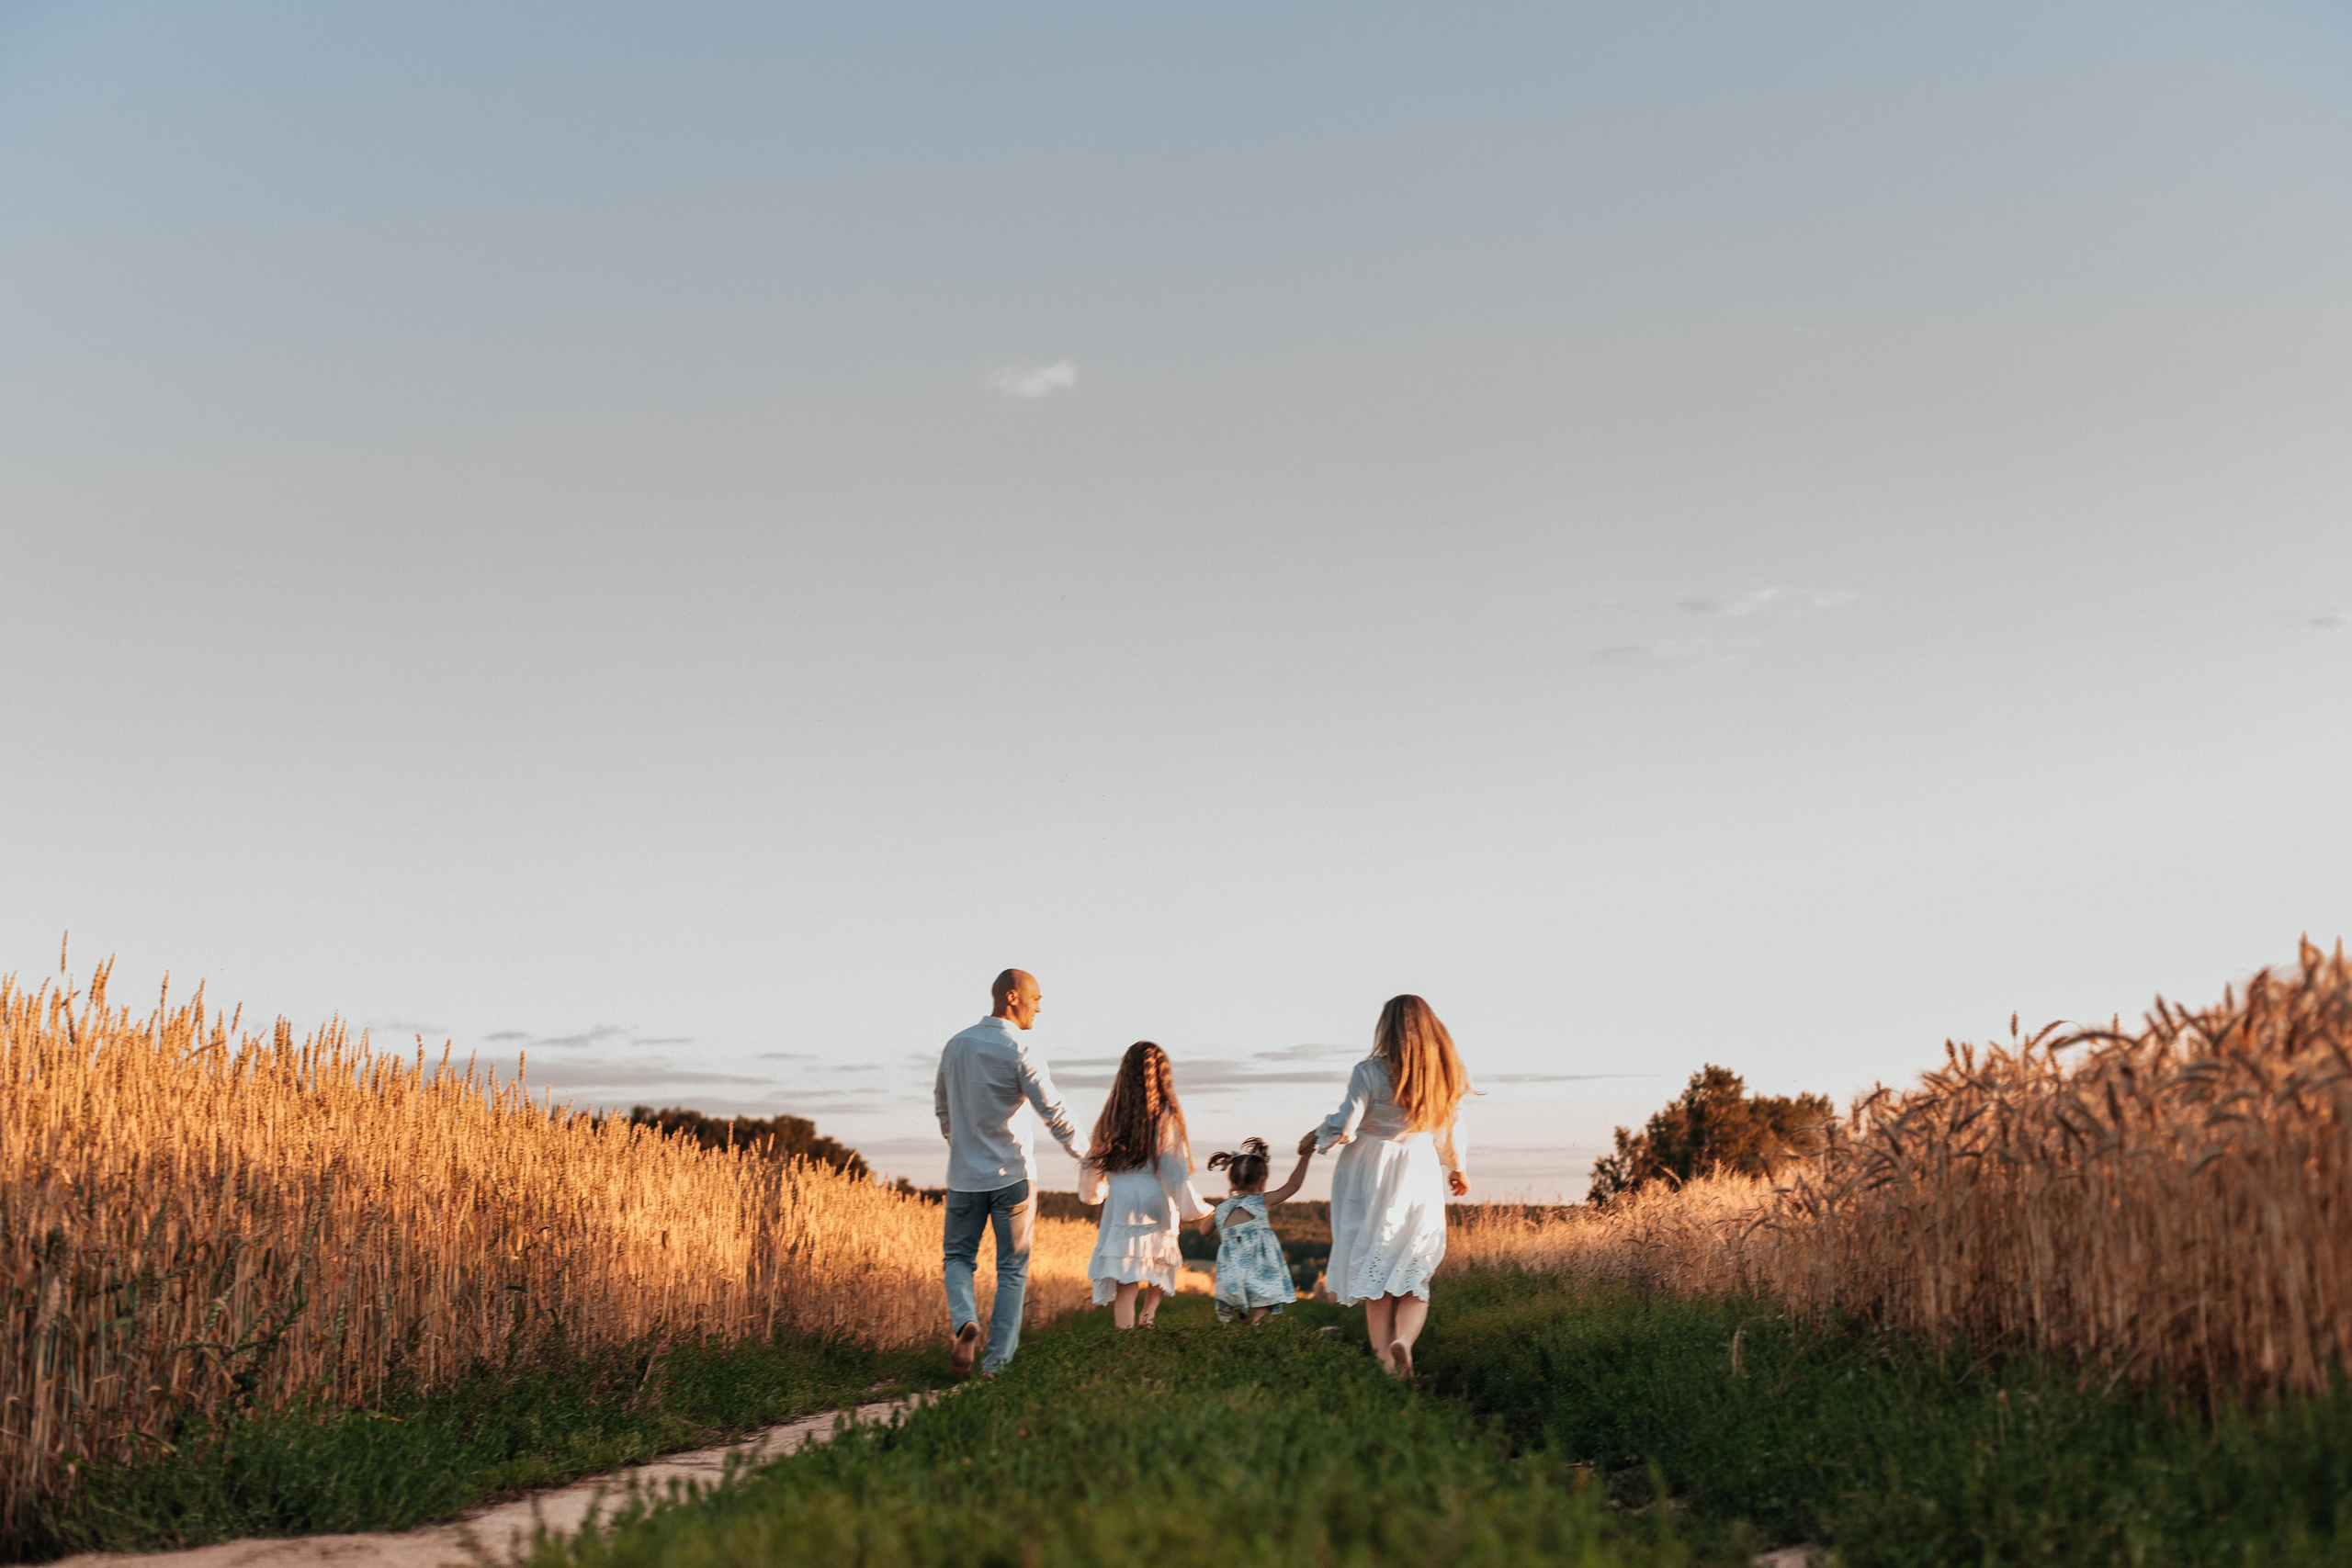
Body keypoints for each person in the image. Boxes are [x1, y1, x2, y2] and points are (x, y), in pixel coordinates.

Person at [1299, 994, 1471, 1378]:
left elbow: (1346, 1126)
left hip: (1368, 1172)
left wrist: (1318, 1135)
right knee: (1414, 1268)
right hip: (1419, 1170)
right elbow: (1450, 1128)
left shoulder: (1369, 1071)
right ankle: (1404, 1343)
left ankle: (1382, 1361)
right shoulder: (1443, 1076)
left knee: (1375, 1277)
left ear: (1386, 1029)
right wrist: (1457, 1168)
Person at [934, 968, 1086, 1378]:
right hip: (1013, 1178)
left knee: (958, 1258)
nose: (1040, 1005)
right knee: (1012, 1270)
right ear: (1012, 997)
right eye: (1035, 997)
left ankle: (965, 1320)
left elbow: (943, 1109)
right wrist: (1086, 1155)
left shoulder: (955, 1045)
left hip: (964, 1178)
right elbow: (1052, 1109)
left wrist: (964, 1146)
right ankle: (995, 1366)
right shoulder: (1021, 1047)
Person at [1078, 1041, 1208, 1330]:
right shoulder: (1164, 1115)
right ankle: (1147, 1318)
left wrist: (1093, 1194)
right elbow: (1175, 1171)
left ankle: (1125, 1341)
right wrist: (1198, 1209)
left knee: (1126, 1280)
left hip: (1121, 1200)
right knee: (1159, 1263)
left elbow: (1091, 1163)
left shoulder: (1112, 1116)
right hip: (1155, 1194)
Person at [1198, 1135, 1311, 1325]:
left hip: (1232, 1271)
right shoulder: (1262, 1201)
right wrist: (1305, 1157)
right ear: (1262, 1181)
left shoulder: (1221, 1209)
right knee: (1260, 1308)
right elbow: (1293, 1185)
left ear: (1231, 1182)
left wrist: (1210, 1214)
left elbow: (1203, 1231)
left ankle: (1235, 1343)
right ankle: (1257, 1338)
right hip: (1259, 1267)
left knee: (1234, 1316)